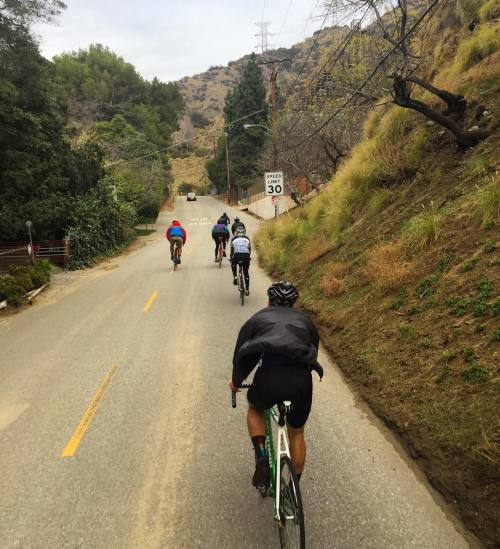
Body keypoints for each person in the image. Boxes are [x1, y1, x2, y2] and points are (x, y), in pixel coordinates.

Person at [229, 281, 323, 492]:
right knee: (297, 433)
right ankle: (292, 491)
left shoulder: (259, 318)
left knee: (255, 408)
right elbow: (312, 352)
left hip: (269, 378)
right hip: (300, 382)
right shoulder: (307, 322)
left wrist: (236, 381)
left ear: (269, 301)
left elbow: (243, 354)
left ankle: (262, 456)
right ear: (294, 303)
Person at [230, 226, 251, 295]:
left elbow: (232, 251)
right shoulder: (247, 238)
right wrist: (249, 257)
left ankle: (235, 277)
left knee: (233, 264)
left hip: (237, 255)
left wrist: (231, 258)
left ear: (236, 233)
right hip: (246, 256)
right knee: (246, 273)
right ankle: (247, 290)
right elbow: (249, 249)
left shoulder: (233, 239)